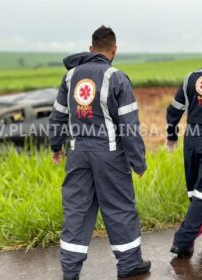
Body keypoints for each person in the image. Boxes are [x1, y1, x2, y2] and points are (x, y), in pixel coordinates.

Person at [48, 25, 151, 279]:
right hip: (110, 154)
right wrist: (138, 162)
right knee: (119, 207)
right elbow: (129, 126)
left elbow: (58, 115)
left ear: (91, 49)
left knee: (76, 209)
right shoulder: (116, 78)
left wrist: (55, 145)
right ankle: (129, 264)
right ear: (114, 50)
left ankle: (70, 270)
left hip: (78, 152)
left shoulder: (70, 76)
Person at [167, 68, 202, 257]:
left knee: (195, 191)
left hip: (192, 137)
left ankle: (189, 240)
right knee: (200, 194)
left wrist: (171, 135)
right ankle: (183, 240)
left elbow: (174, 108)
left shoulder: (190, 77)